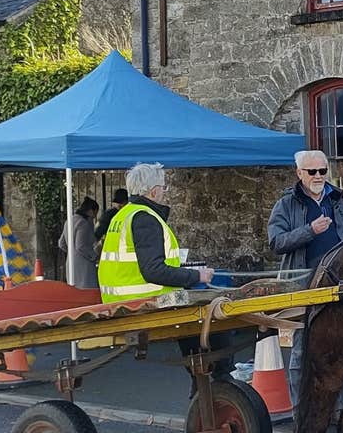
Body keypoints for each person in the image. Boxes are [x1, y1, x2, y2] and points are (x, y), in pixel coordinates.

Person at [98, 163, 231, 386]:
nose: (164, 192)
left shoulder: (124, 215)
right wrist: (196, 276)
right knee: (216, 307)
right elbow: (153, 270)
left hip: (122, 300)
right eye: (163, 188)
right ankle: (217, 376)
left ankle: (200, 376)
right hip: (146, 300)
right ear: (153, 191)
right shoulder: (145, 218)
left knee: (200, 308)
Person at [268, 149, 343, 408]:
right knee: (301, 351)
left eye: (323, 171)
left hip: (337, 283)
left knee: (336, 350)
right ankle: (301, 411)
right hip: (303, 284)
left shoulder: (338, 199)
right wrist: (309, 231)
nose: (318, 176)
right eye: (312, 171)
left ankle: (334, 409)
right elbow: (276, 241)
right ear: (299, 173)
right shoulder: (287, 203)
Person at [59, 197, 99, 289]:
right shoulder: (83, 224)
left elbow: (62, 243)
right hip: (84, 267)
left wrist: (72, 252)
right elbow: (81, 246)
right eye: (95, 213)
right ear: (90, 211)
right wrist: (95, 256)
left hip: (71, 264)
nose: (95, 217)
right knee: (87, 293)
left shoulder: (69, 221)